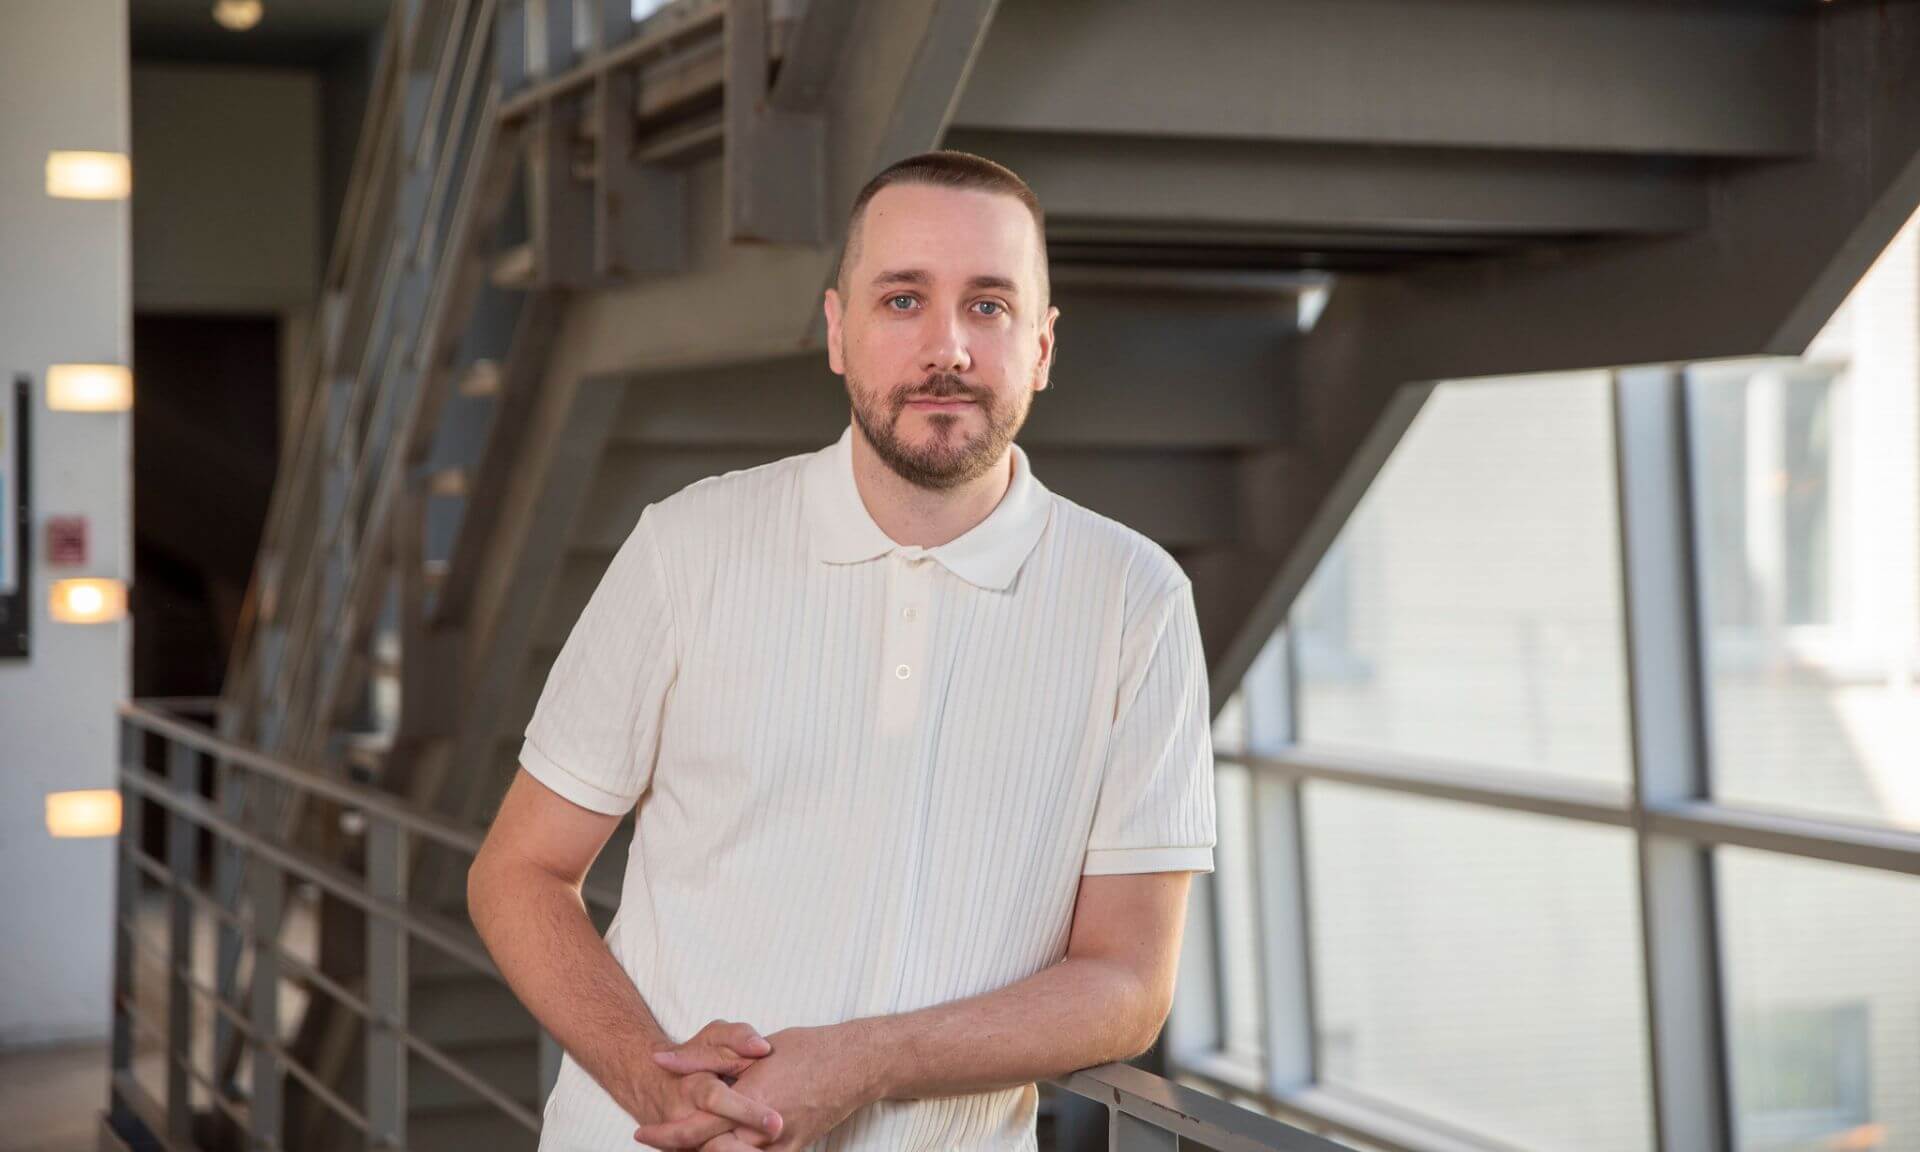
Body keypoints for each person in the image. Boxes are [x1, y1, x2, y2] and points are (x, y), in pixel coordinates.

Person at [468, 149, 1217, 1152]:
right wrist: (675, 1102)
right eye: (902, 300)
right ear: (837, 331)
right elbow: (519, 873)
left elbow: (1128, 986)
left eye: (989, 307)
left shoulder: (1137, 601)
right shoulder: (686, 547)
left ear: (1041, 347)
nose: (945, 347)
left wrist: (866, 1059)